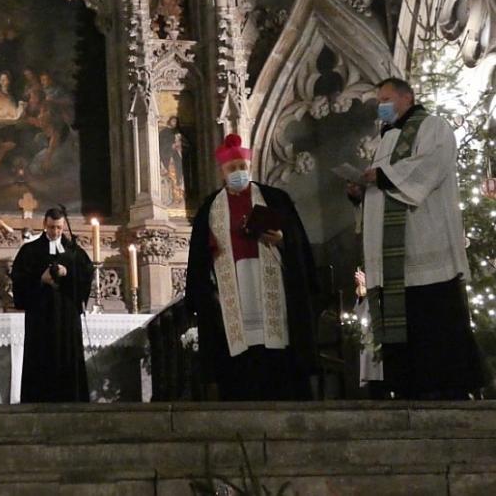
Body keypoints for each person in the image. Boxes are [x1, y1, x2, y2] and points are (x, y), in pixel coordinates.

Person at [346, 77, 483, 399]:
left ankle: (446, 389)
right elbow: (383, 188)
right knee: (404, 329)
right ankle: (406, 387)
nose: (381, 106)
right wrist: (360, 193)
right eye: (379, 100)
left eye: (386, 99)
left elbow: (431, 167)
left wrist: (382, 176)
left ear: (407, 97)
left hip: (425, 245)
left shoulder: (433, 127)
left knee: (433, 321)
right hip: (393, 260)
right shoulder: (386, 139)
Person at [185, 134, 320, 401]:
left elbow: (298, 242)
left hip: (271, 286)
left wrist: (282, 239)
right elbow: (199, 258)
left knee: (277, 349)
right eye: (232, 168)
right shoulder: (210, 208)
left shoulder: (274, 198)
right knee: (241, 355)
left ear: (250, 166)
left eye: (242, 167)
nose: (238, 172)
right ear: (222, 172)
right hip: (233, 291)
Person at [11, 208, 94, 402]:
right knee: (40, 355)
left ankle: (71, 399)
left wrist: (68, 273)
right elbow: (18, 278)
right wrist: (40, 279)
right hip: (40, 315)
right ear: (44, 225)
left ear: (63, 226)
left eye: (59, 228)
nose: (55, 232)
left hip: (67, 315)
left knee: (68, 355)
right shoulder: (30, 250)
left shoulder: (73, 251)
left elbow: (86, 274)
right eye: (51, 227)